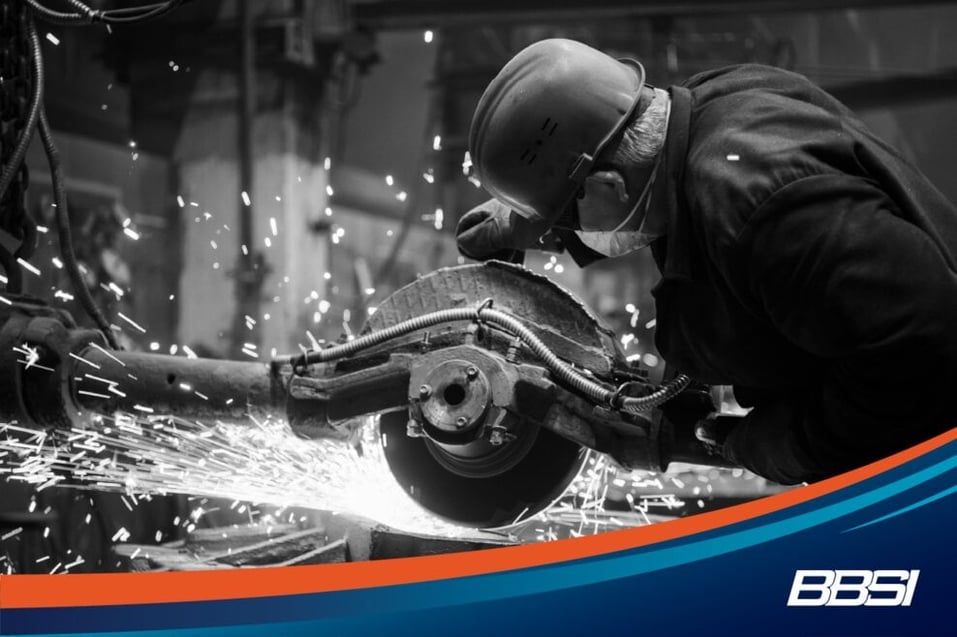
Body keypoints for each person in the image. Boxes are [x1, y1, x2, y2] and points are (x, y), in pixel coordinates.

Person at [456, 38, 957, 484]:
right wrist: (533, 214)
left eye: (566, 219)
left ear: (608, 185)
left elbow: (923, 342)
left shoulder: (760, 209)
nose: (565, 233)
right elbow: (643, 173)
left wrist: (784, 446)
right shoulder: (712, 103)